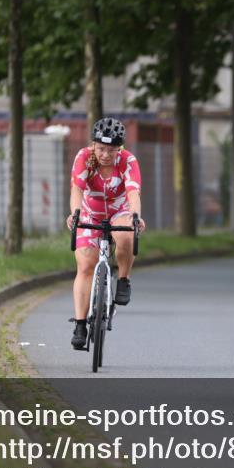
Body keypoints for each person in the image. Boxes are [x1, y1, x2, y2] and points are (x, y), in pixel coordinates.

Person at [65, 117, 146, 349]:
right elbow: (77, 189)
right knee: (85, 266)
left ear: (119, 149)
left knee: (126, 234)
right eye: (100, 148)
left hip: (120, 210)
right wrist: (76, 214)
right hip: (91, 213)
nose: (105, 155)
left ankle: (123, 279)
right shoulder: (84, 158)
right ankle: (80, 324)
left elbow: (133, 194)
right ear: (93, 145)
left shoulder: (128, 161)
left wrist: (135, 216)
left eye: (111, 150)